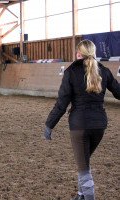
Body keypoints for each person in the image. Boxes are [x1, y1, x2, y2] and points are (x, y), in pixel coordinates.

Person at [43, 39, 120, 200]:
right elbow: (118, 92)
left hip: (79, 126)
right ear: (94, 53)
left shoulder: (71, 72)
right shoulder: (104, 71)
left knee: (83, 168)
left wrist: (50, 124)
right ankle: (81, 195)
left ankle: (88, 196)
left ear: (78, 53)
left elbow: (62, 103)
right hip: (99, 125)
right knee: (84, 162)